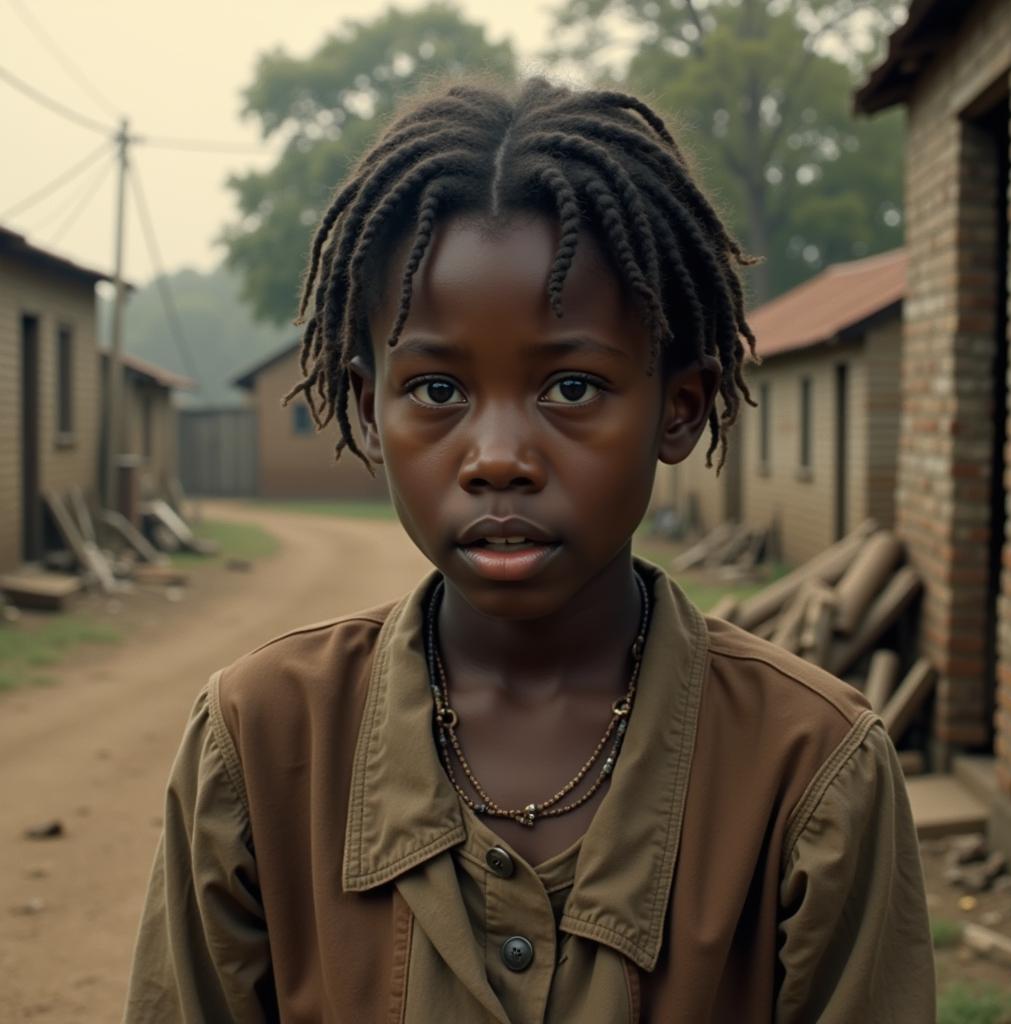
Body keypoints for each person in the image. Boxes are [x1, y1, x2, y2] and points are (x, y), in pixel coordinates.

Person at [124, 77, 935, 1022]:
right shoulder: (259, 743)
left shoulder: (814, 774)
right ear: (365, 410)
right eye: (435, 391)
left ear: (681, 406)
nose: (498, 459)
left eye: (574, 387)